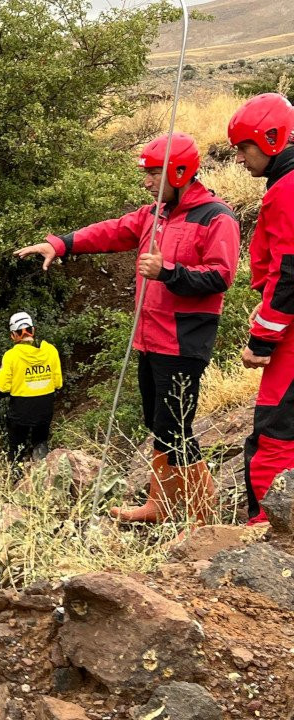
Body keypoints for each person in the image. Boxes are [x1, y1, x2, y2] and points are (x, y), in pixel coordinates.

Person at [15, 132, 240, 525]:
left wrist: (168, 271)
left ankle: (204, 516)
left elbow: (221, 276)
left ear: (181, 172)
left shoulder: (216, 217)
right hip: (150, 338)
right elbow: (112, 230)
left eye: (155, 174)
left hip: (183, 341)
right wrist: (61, 244)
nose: (148, 182)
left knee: (175, 428)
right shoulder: (154, 214)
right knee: (159, 424)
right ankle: (160, 505)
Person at [230, 93, 294, 525]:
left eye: (244, 147)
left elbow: (289, 271)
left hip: (289, 340)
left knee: (273, 437)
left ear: (271, 139)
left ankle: (264, 535)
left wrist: (262, 339)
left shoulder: (287, 190)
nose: (239, 158)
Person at [0, 312, 63, 462]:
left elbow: (3, 387)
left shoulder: (11, 356)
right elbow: (58, 383)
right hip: (45, 408)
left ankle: (15, 478)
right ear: (33, 330)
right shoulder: (51, 351)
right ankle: (43, 471)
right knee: (40, 441)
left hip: (21, 410)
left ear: (13, 335)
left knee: (16, 447)